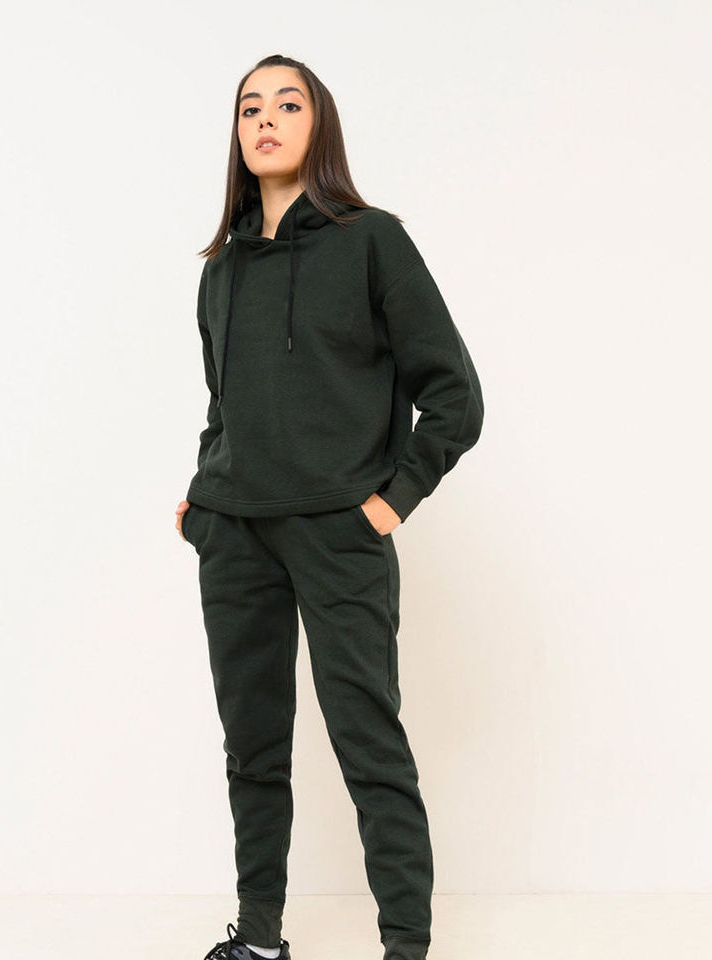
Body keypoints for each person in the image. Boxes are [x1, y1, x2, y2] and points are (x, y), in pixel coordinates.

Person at [178, 54, 484, 960]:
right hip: (235, 534)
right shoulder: (220, 270)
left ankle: (405, 948)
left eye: (288, 104)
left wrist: (392, 501)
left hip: (339, 532)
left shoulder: (372, 240)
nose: (266, 120)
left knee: (368, 741)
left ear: (321, 126)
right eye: (250, 108)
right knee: (252, 748)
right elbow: (224, 404)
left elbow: (455, 394)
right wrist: (204, 495)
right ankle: (259, 939)